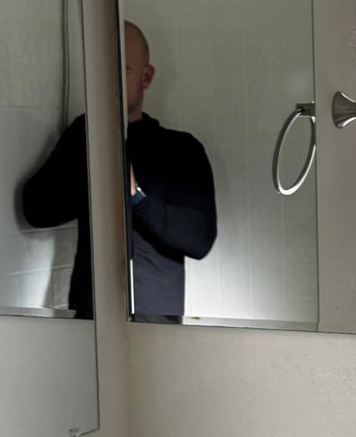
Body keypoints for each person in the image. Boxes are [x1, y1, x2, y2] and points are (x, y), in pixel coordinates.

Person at [18, 21, 216, 321]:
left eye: (122, 71)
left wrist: (136, 200)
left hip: (155, 320)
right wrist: (93, 179)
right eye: (102, 71)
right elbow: (36, 210)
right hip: (91, 314)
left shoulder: (181, 149)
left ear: (146, 76)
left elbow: (200, 240)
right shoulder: (83, 134)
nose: (109, 82)